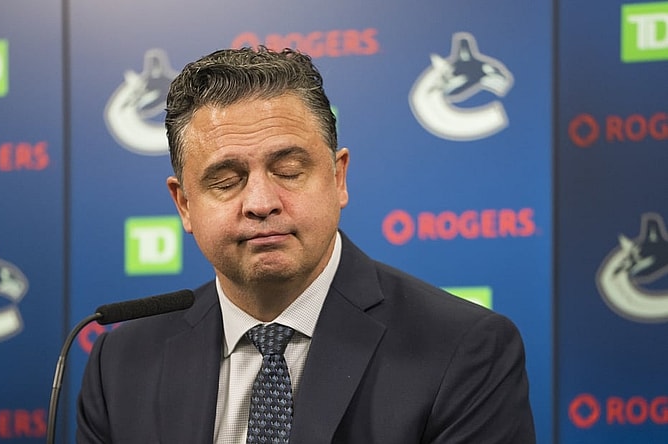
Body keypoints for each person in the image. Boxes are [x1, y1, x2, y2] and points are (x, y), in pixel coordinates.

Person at [77, 46, 536, 443]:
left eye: (289, 171)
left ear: (338, 178)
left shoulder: (462, 350)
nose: (261, 203)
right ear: (184, 205)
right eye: (226, 181)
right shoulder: (120, 364)